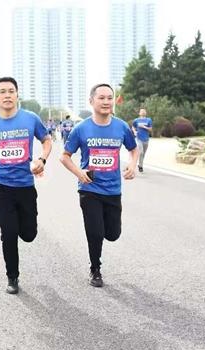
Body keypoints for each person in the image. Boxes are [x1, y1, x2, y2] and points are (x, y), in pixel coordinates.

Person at [0, 77, 52, 294]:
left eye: (11, 91)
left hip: (25, 185)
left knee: (29, 234)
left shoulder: (30, 119)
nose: (7, 95)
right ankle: (12, 277)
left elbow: (47, 140)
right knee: (9, 232)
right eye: (2, 92)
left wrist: (42, 159)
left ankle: (23, 231)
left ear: (17, 95)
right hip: (0, 186)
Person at [60, 83, 138, 287]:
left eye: (109, 98)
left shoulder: (121, 126)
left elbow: (133, 149)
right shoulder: (81, 128)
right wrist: (79, 172)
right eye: (101, 98)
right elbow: (65, 156)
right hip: (89, 188)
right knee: (95, 233)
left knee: (112, 234)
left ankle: (103, 232)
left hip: (113, 189)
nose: (106, 102)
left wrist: (132, 165)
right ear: (91, 101)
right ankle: (95, 269)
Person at [131, 108, 153, 172]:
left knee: (143, 154)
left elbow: (150, 129)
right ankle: (140, 166)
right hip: (139, 138)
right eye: (141, 111)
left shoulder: (148, 120)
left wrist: (144, 127)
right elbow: (133, 127)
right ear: (139, 113)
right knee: (141, 152)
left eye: (144, 111)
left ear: (145, 113)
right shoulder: (136, 120)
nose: (143, 112)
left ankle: (140, 165)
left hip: (146, 139)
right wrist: (134, 131)